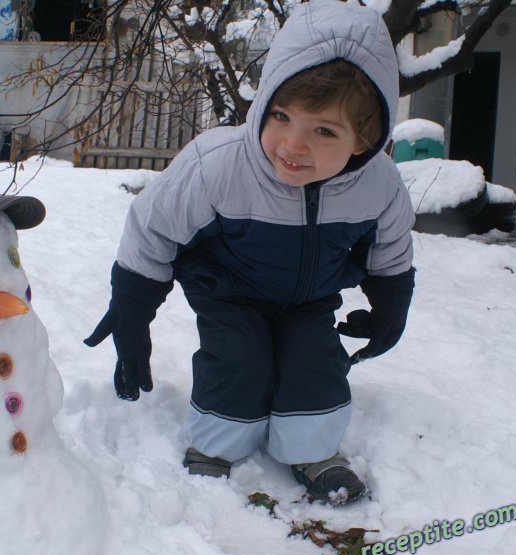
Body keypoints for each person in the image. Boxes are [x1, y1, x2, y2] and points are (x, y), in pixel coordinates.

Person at [84, 0, 415, 505]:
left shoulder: (378, 184)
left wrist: (391, 304)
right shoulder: (218, 165)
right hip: (229, 291)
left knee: (315, 363)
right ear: (262, 106)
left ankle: (313, 451)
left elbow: (392, 243)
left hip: (311, 298)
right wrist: (133, 309)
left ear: (364, 139)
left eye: (323, 130)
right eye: (281, 115)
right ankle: (216, 447)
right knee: (239, 360)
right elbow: (152, 228)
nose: (292, 144)